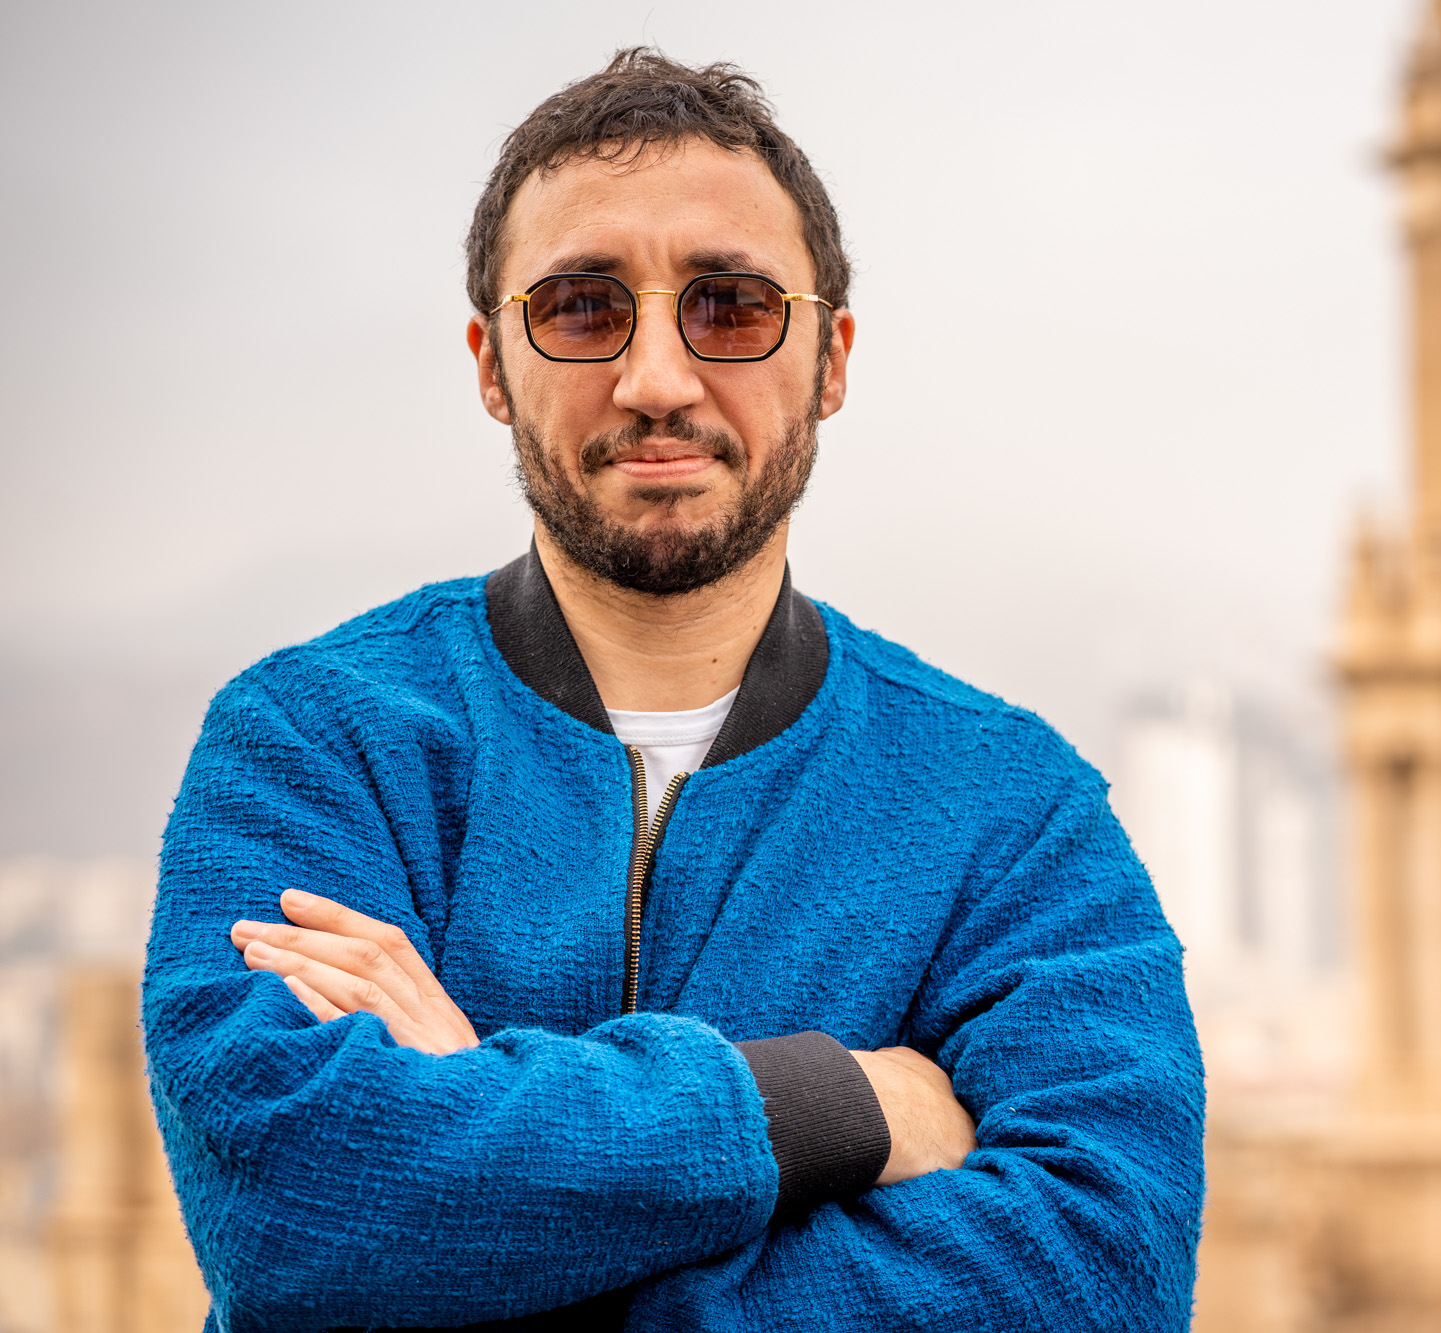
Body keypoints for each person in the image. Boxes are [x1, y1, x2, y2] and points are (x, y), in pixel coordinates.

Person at [142, 48, 1204, 1332]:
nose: (656, 380)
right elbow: (295, 1212)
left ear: (830, 359)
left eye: (732, 307)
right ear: (491, 364)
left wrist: (482, 1214)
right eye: (583, 308)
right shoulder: (315, 743)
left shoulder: (1008, 809)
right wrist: (842, 1106)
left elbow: (1104, 1270)